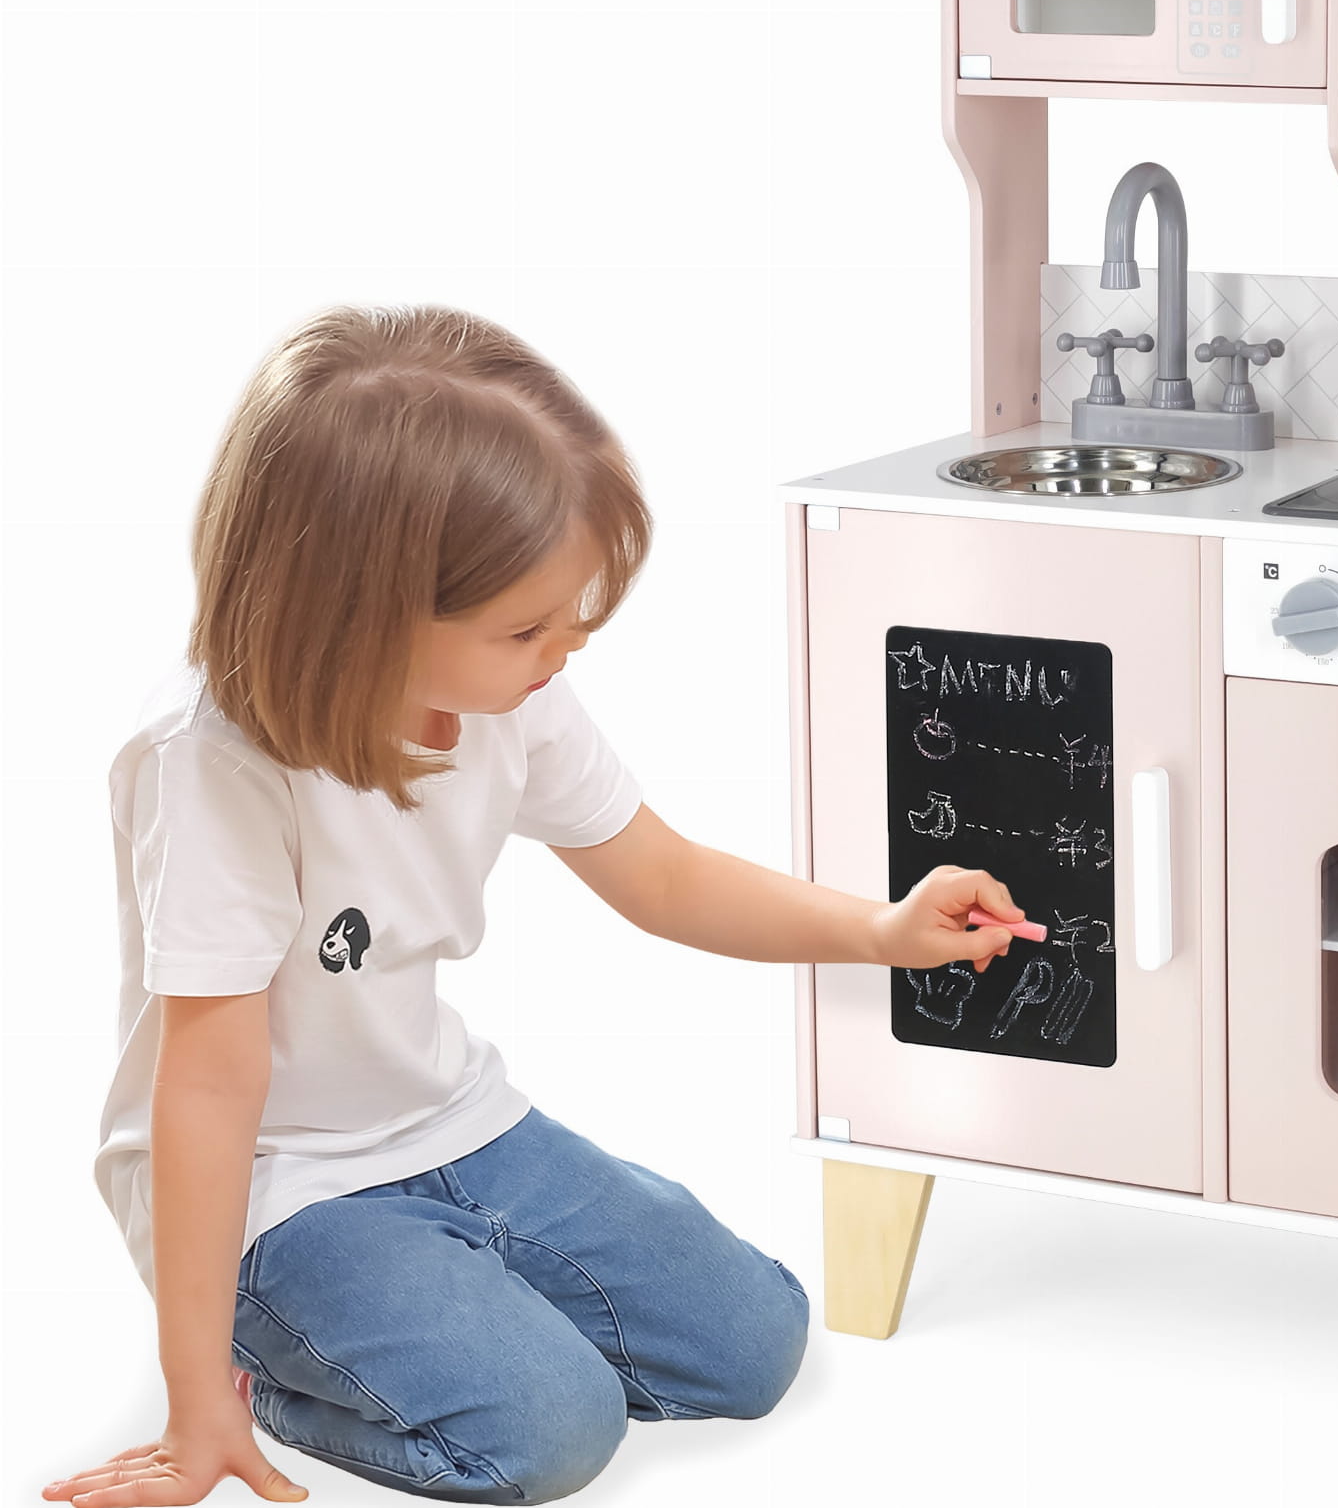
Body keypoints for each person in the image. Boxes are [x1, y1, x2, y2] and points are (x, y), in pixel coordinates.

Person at [43, 305, 1023, 1508]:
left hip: (452, 1121)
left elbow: (661, 876)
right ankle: (274, 1377)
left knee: (754, 1341)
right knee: (554, 1434)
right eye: (526, 626)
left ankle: (448, 1319)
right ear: (358, 616)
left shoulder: (507, 692)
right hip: (275, 1189)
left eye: (574, 613)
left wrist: (878, 931)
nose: (566, 648)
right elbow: (208, 1086)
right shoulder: (211, 766)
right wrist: (196, 1399)